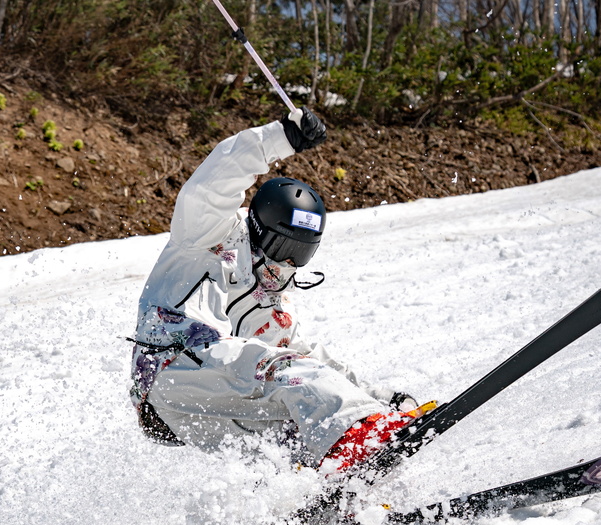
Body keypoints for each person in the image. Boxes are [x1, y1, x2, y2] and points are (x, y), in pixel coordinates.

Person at [127, 109, 429, 481]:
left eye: (301, 252)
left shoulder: (272, 300)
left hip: (189, 412)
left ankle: (334, 497)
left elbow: (303, 357)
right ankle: (357, 442)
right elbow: (214, 180)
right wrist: (282, 136)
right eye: (282, 244)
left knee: (293, 433)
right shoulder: (207, 234)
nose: (288, 260)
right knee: (290, 374)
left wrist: (378, 399)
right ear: (257, 227)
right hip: (174, 362)